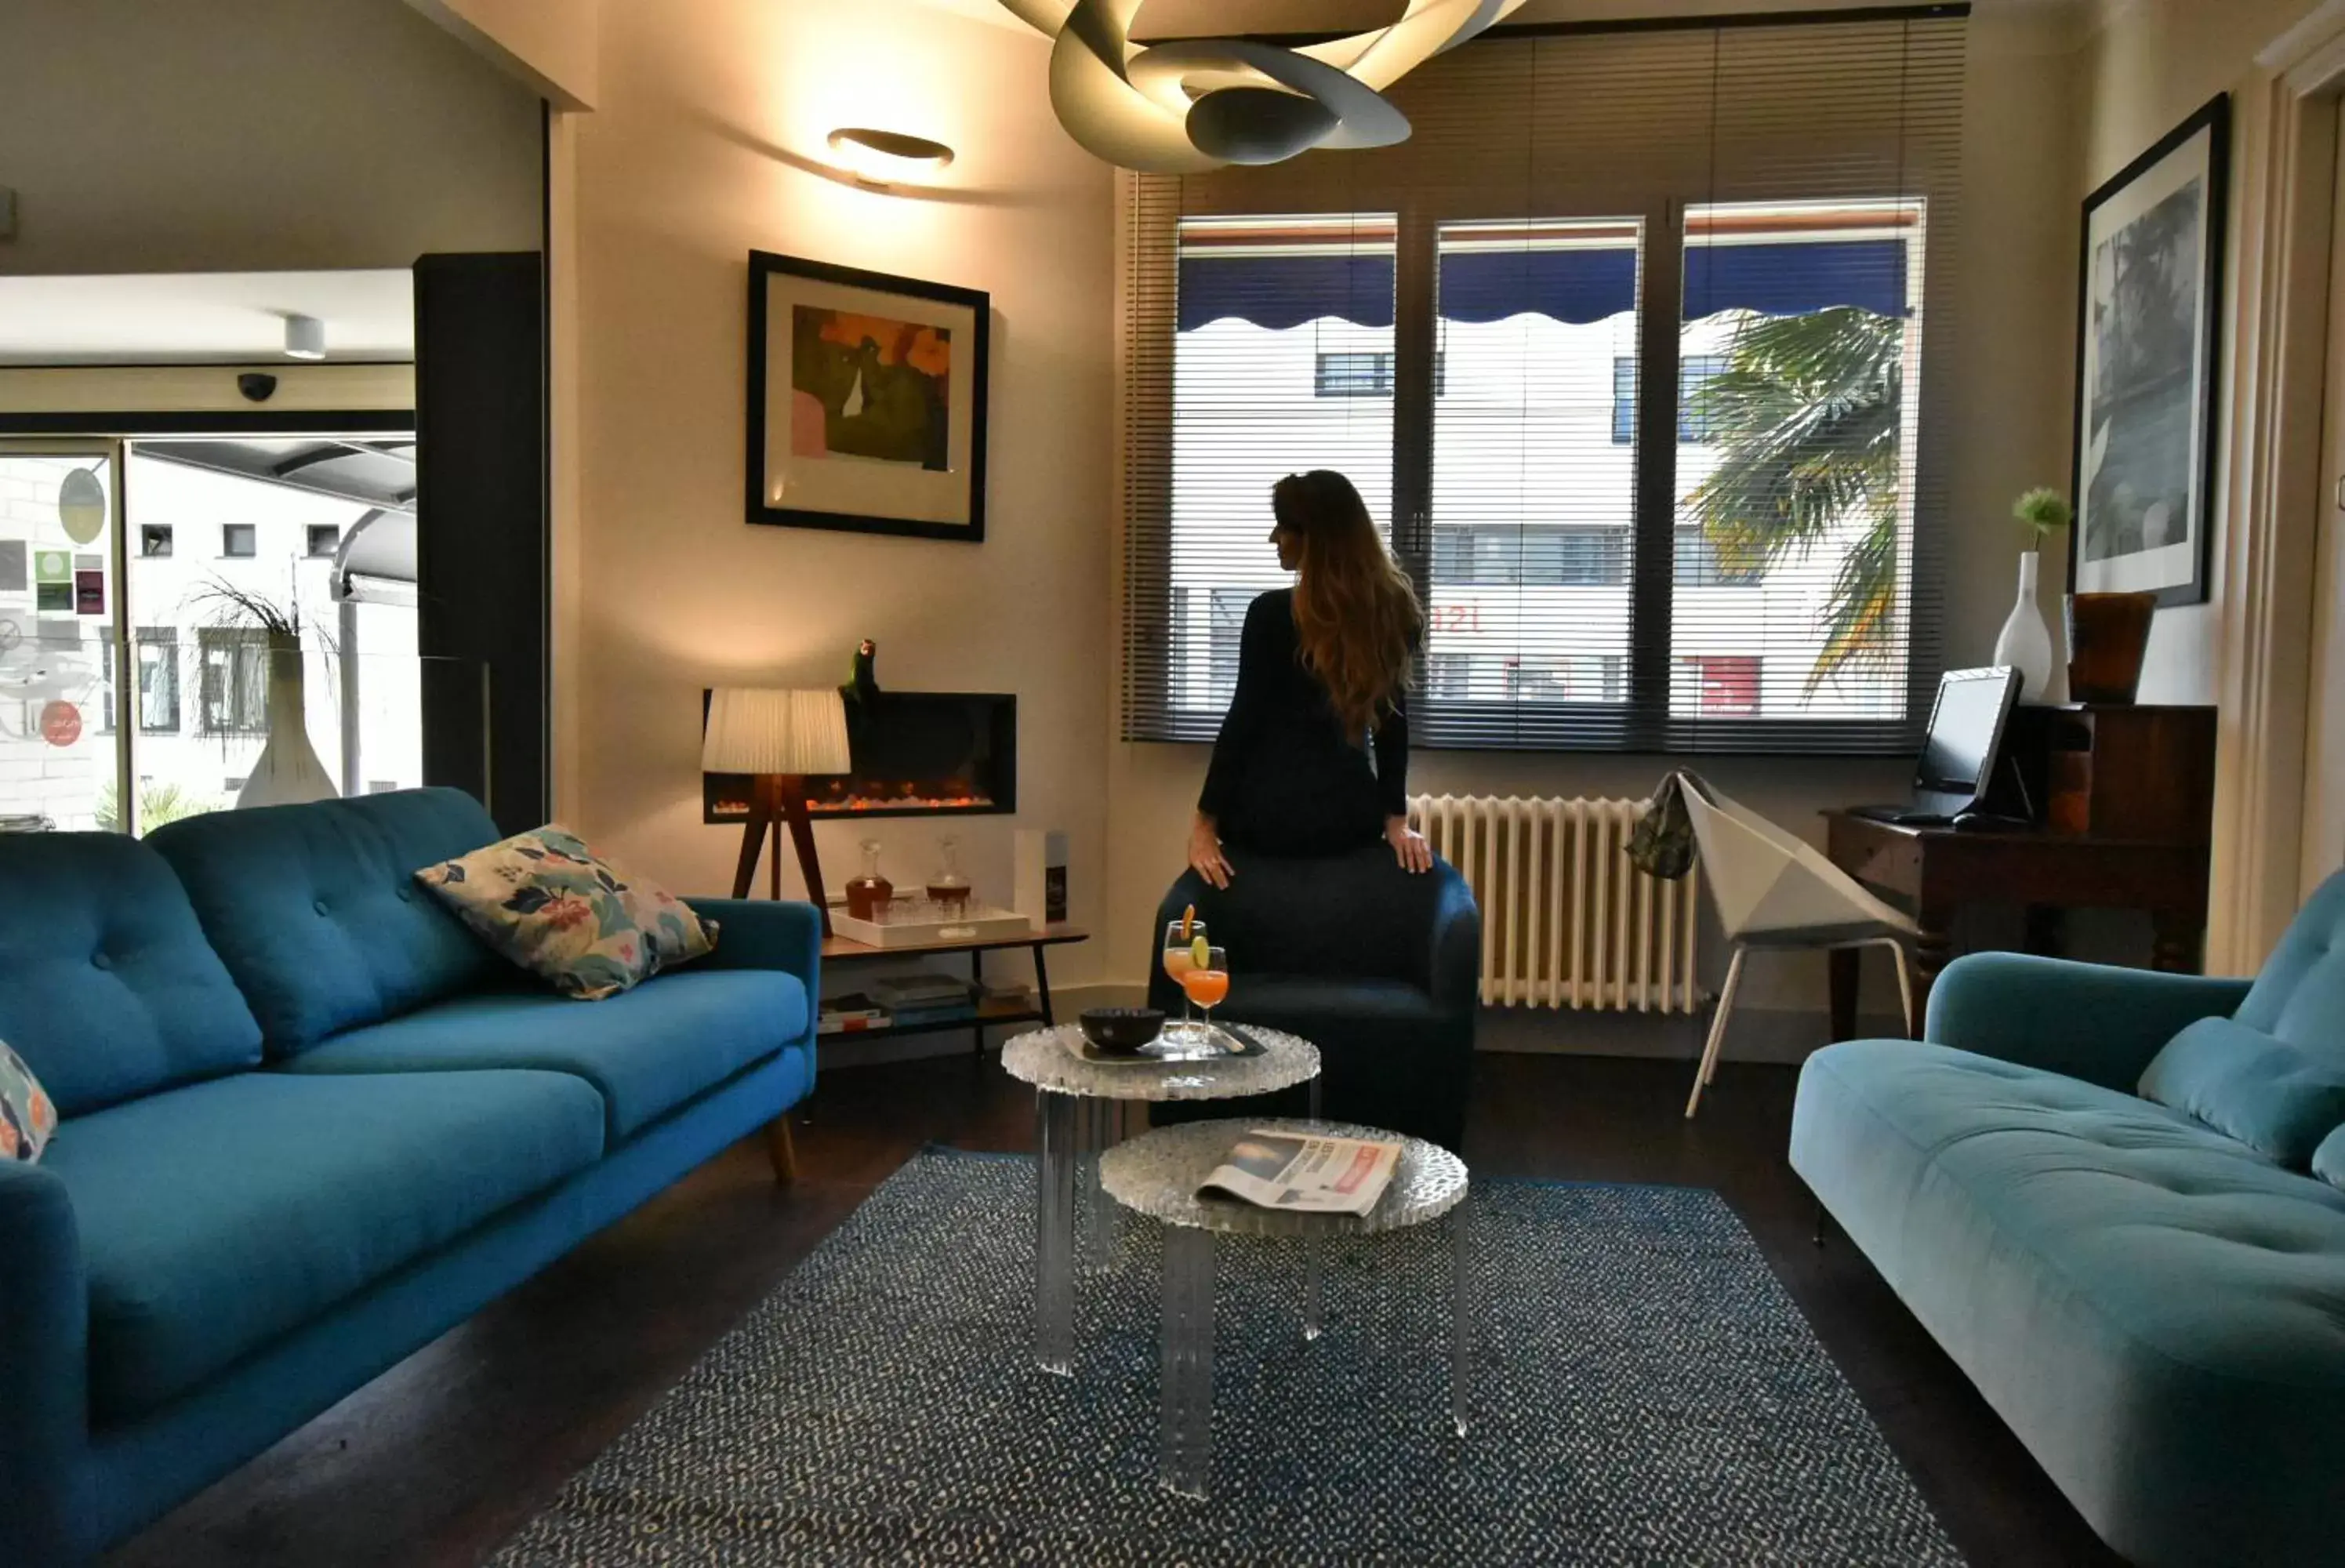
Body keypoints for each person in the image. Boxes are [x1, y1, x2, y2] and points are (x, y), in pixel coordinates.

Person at [1189, 470, 1433, 887]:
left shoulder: (1269, 615)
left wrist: (1203, 825)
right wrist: (1395, 820)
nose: (1273, 538)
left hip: (1265, 821)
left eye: (1283, 527)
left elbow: (1242, 723)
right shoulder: (1393, 612)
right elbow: (1393, 723)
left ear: (1313, 539)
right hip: (1349, 822)